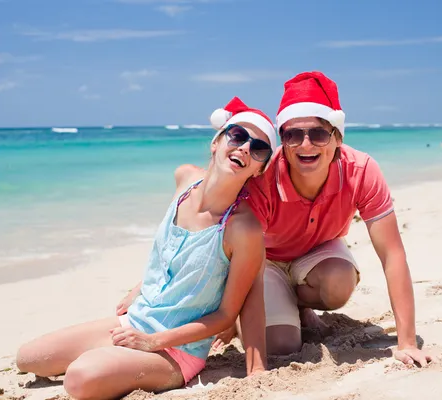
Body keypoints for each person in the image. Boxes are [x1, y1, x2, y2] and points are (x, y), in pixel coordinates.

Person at [16, 97, 275, 399]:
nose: (245, 147)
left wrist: (155, 341)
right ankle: (112, 361)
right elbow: (177, 254)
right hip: (134, 321)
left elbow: (226, 315)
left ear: (259, 169)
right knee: (28, 358)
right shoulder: (185, 180)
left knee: (79, 379)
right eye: (238, 136)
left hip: (177, 351)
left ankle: (113, 364)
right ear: (216, 142)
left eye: (258, 148)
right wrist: (141, 287)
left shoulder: (243, 229)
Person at [216, 71, 433, 367]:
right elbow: (231, 249)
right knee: (281, 346)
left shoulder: (361, 171)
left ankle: (299, 302)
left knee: (338, 283)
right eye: (293, 134)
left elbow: (392, 254)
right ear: (282, 139)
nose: (306, 145)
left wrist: (407, 342)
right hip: (263, 261)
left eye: (318, 134)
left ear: (337, 138)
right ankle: (283, 306)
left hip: (318, 253)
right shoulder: (263, 178)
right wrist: (229, 314)